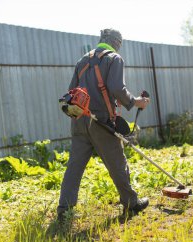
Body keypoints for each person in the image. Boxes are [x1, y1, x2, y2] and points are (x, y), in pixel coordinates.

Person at [57, 28, 150, 221]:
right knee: (117, 163)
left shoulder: (82, 60)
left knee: (74, 167)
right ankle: (132, 203)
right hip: (101, 123)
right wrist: (135, 102)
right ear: (117, 43)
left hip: (80, 119)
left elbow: (71, 91)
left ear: (102, 40)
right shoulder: (114, 58)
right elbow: (117, 88)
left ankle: (64, 211)